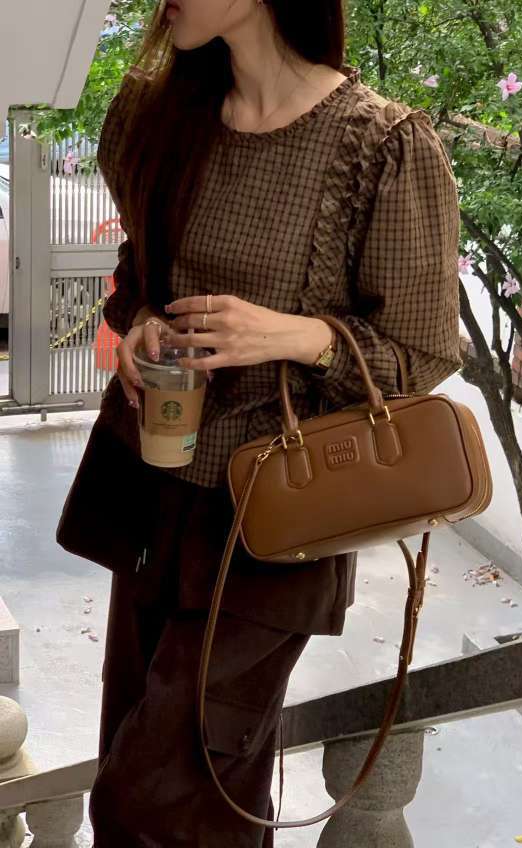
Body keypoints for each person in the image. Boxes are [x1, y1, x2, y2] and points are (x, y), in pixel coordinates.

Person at [84, 0, 462, 845]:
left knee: (148, 802)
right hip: (152, 496)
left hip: (276, 523)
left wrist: (292, 335)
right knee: (180, 783)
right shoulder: (157, 114)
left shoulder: (384, 146)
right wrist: (141, 319)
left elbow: (423, 354)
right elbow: (138, 270)